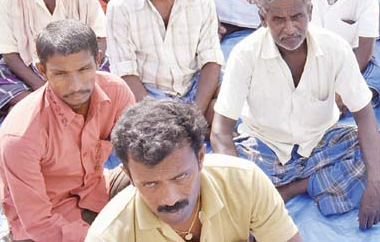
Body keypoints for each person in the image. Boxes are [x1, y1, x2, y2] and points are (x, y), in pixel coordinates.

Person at [210, 0, 380, 229]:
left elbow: (365, 114)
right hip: (264, 150)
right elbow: (221, 131)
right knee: (211, 181)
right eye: (278, 19)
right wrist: (238, 188)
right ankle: (308, 188)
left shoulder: (335, 48)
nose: (290, 28)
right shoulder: (245, 54)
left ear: (310, 12)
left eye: (297, 17)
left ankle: (291, 190)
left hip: (321, 145)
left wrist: (375, 185)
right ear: (263, 18)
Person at [87, 100, 303, 242]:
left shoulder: (245, 181)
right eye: (150, 183)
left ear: (201, 157)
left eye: (180, 176)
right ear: (129, 176)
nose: (170, 199)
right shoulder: (108, 236)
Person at [0, 20, 135, 242]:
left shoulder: (116, 93)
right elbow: (39, 224)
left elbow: (140, 158)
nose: (75, 85)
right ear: (42, 71)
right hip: (47, 225)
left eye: (84, 69)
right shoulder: (21, 135)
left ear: (98, 60)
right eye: (61, 74)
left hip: (97, 191)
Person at [106, 0, 223, 124]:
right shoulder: (120, 7)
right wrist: (159, 119)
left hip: (193, 87)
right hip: (148, 95)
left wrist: (195, 115)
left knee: (229, 103)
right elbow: (125, 73)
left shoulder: (202, 1)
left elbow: (211, 61)